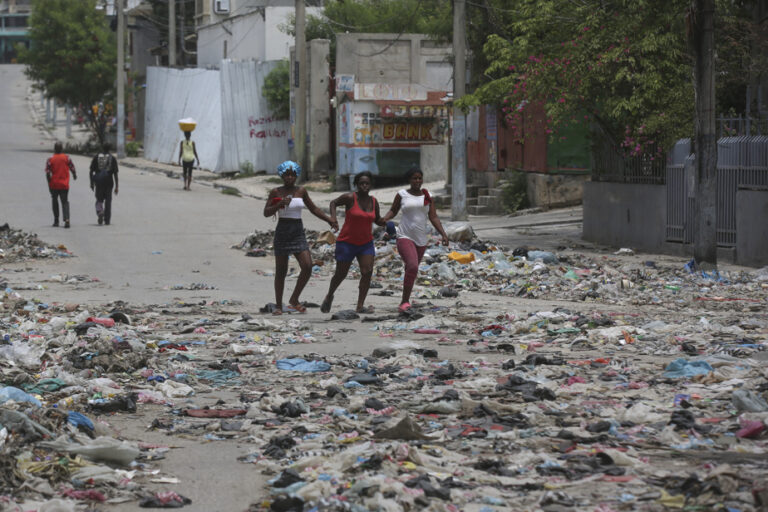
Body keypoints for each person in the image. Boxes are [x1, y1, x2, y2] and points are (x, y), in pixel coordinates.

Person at [263, 161, 338, 315]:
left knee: (307, 265)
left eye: (292, 175)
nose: (289, 178)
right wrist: (279, 205)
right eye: (286, 175)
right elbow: (266, 212)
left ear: (296, 176)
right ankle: (278, 305)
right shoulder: (276, 192)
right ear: (282, 176)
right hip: (283, 230)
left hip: (297, 231)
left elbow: (314, 208)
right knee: (281, 271)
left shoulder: (301, 191)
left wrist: (329, 219)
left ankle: (294, 299)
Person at [382, 167, 450, 313]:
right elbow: (393, 210)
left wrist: (443, 234)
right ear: (409, 180)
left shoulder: (427, 195)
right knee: (412, 266)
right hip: (404, 236)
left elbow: (433, 217)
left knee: (411, 270)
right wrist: (384, 219)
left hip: (421, 240)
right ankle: (404, 302)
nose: (417, 181)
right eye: (414, 178)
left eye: (420, 178)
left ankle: (405, 298)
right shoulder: (402, 194)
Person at [321, 171, 385, 314]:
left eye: (367, 183)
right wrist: (333, 219)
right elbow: (333, 203)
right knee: (341, 273)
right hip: (347, 242)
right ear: (356, 185)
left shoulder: (374, 202)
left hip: (366, 243)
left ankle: (360, 305)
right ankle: (329, 295)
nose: (364, 186)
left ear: (371, 185)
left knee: (367, 272)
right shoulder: (350, 198)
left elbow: (377, 219)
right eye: (361, 183)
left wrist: (386, 222)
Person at [45, 141, 77, 228]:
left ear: (54, 149)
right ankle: (67, 219)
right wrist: (74, 175)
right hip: (64, 184)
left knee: (55, 201)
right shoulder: (67, 158)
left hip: (54, 184)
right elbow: (72, 167)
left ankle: (56, 220)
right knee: (65, 201)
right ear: (62, 149)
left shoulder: (50, 159)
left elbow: (48, 173)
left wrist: (49, 184)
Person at [89, 143, 119, 225]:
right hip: (109, 182)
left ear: (102, 147)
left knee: (99, 200)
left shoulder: (97, 157)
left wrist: (91, 183)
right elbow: (115, 174)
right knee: (108, 202)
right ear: (109, 149)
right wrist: (117, 186)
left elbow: (91, 171)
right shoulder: (112, 158)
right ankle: (107, 220)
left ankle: (100, 212)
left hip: (99, 183)